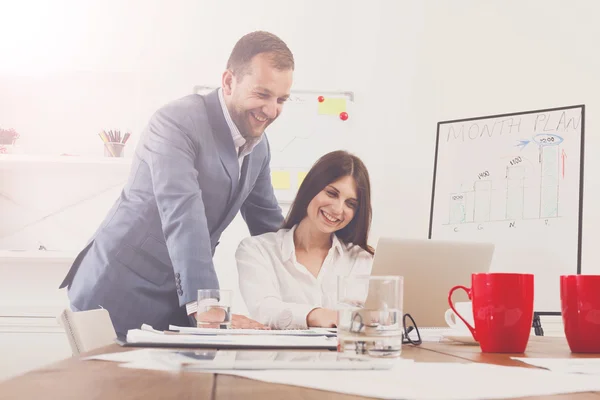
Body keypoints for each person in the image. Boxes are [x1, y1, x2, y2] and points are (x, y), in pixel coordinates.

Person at [59, 31, 295, 335]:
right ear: (228, 81)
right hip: (117, 292)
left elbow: (269, 226)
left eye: (281, 100)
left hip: (179, 297)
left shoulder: (258, 147)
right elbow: (183, 214)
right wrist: (208, 306)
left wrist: (330, 253)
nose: (272, 110)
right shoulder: (176, 122)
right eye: (262, 95)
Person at [235, 150, 374, 329]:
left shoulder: (361, 259)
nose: (338, 209)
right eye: (332, 193)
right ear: (311, 188)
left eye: (350, 204)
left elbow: (367, 319)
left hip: (344, 356)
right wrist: (316, 315)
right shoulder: (256, 250)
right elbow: (265, 310)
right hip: (278, 357)